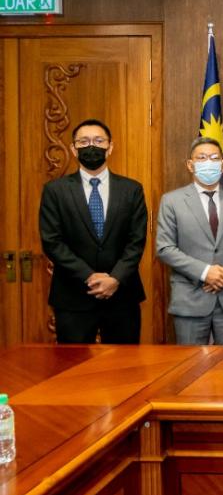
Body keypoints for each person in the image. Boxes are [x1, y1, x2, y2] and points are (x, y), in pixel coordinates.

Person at [39, 119, 148, 343]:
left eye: (98, 141)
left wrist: (115, 278)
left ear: (110, 147)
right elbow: (52, 241)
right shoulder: (55, 190)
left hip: (122, 296)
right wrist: (89, 276)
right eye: (84, 142)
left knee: (124, 363)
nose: (91, 146)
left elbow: (136, 241)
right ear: (73, 149)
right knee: (73, 363)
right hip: (73, 297)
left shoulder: (132, 189)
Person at [156, 137, 223, 345]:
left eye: (214, 158)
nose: (208, 162)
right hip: (190, 300)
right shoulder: (172, 201)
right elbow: (165, 248)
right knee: (190, 363)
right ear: (190, 164)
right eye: (202, 158)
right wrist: (205, 272)